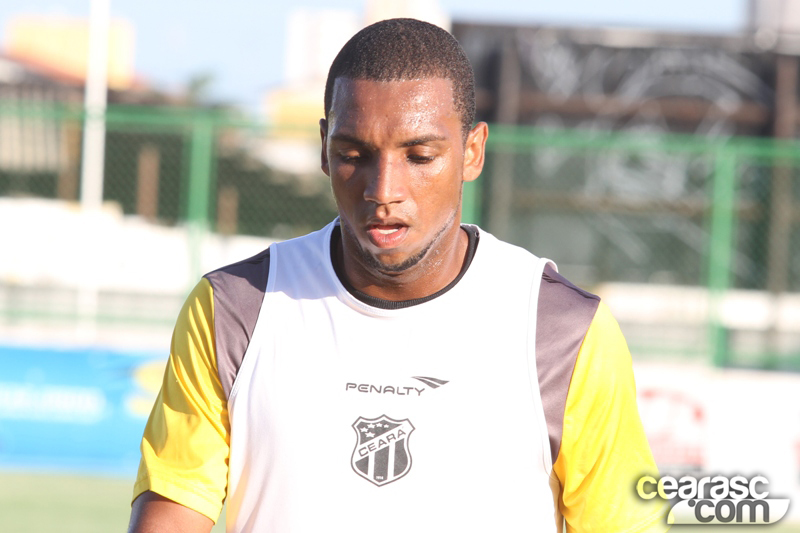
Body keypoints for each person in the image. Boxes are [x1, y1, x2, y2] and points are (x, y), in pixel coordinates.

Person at [128, 18, 669, 533]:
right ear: (323, 148)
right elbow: (174, 508)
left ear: (472, 151)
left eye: (420, 155)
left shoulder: (562, 331)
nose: (383, 189)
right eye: (354, 154)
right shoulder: (234, 309)